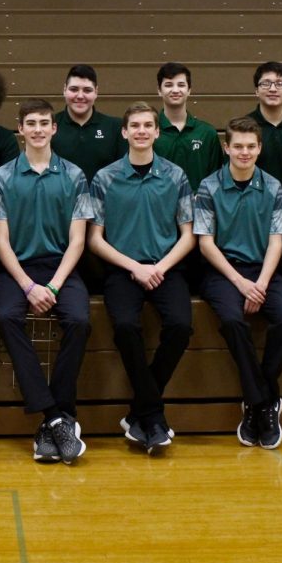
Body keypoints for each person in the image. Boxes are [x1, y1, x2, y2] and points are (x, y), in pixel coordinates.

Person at [0, 99, 92, 464]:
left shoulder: (75, 176)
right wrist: (28, 285)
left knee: (80, 320)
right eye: (30, 122)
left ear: (54, 128)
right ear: (20, 130)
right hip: (16, 268)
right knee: (6, 318)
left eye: (43, 122)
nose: (37, 128)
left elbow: (78, 240)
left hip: (60, 267)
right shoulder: (1, 177)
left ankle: (56, 417)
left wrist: (52, 285)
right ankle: (55, 417)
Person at [89, 102, 195, 454]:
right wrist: (134, 267)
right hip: (123, 269)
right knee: (124, 327)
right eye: (134, 125)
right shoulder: (104, 178)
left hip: (166, 267)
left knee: (181, 325)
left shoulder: (176, 176)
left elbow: (189, 234)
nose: (141, 131)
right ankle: (152, 415)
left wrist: (160, 267)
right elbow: (94, 239)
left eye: (148, 125)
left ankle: (141, 412)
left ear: (156, 131)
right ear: (124, 132)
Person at [194, 116, 282, 450]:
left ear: (259, 148)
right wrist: (241, 283)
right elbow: (206, 243)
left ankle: (257, 402)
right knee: (232, 321)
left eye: (251, 146)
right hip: (224, 272)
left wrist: (262, 283)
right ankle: (264, 401)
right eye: (238, 146)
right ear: (226, 147)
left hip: (264, 270)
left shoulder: (273, 187)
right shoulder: (208, 186)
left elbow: (276, 241)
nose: (244, 152)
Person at [154, 62, 223, 192]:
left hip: (199, 208)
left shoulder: (207, 133)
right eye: (168, 85)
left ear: (189, 90)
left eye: (181, 85)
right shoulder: (149, 132)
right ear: (159, 90)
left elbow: (217, 177)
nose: (175, 90)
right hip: (159, 208)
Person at [51, 64, 126, 182]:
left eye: (87, 90)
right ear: (64, 90)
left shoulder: (115, 127)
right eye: (74, 89)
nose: (80, 96)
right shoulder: (49, 126)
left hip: (104, 200)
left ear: (96, 92)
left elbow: (124, 175)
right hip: (61, 200)